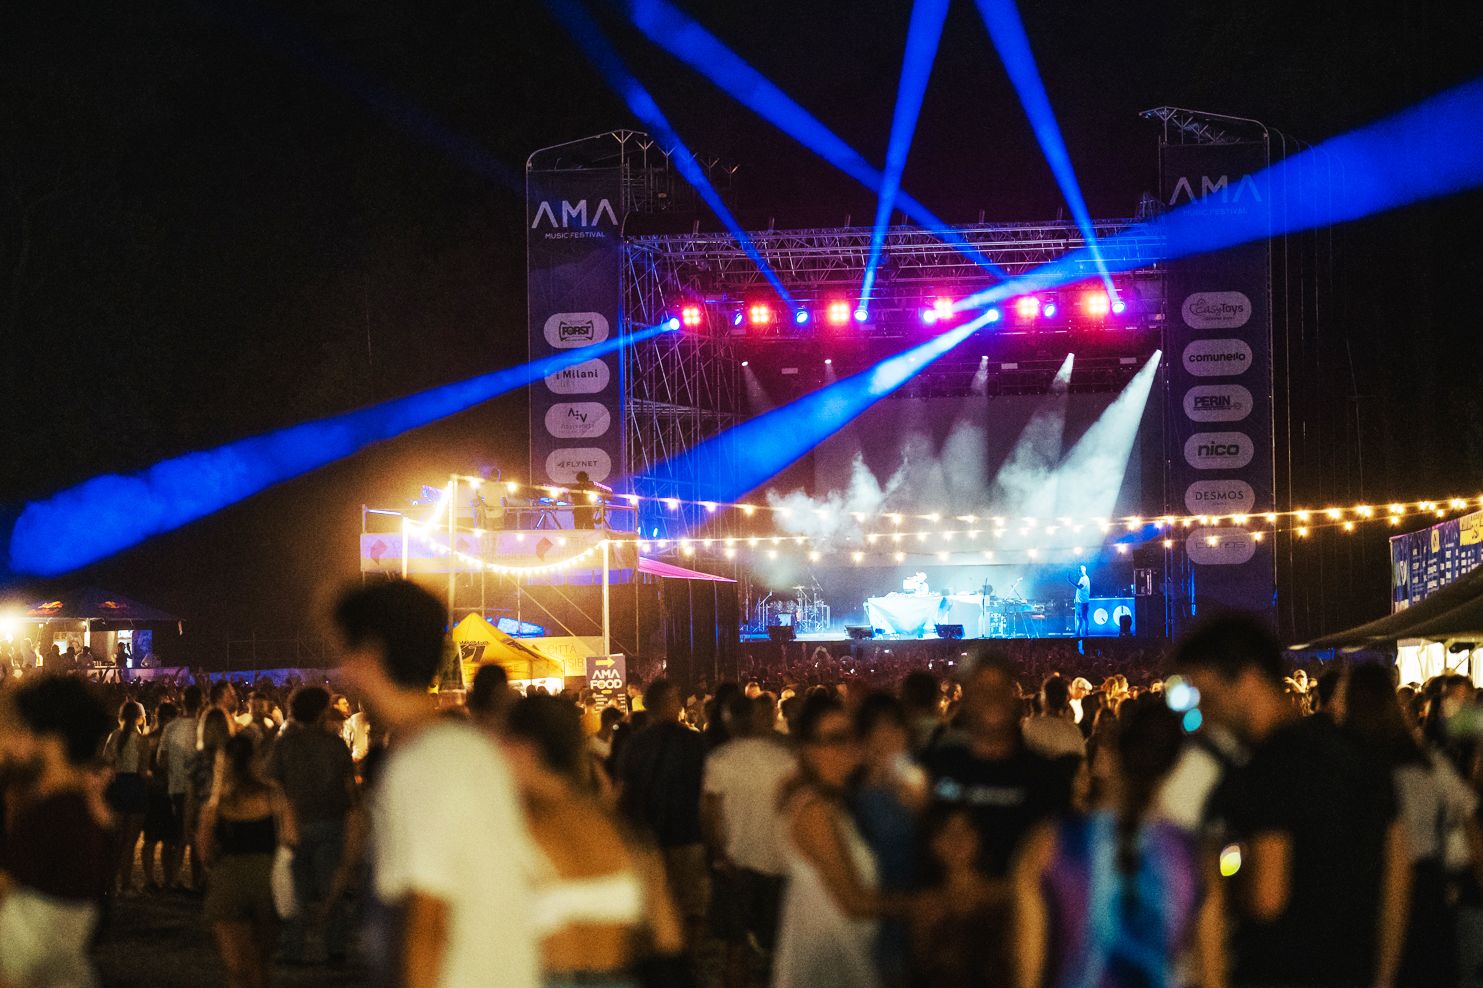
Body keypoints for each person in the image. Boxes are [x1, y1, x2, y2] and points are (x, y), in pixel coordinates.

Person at [1175, 615, 1410, 988]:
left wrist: (1210, 879)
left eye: (1209, 698)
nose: (1203, 716)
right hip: (1354, 971)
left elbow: (1266, 897)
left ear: (1248, 681)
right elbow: (1397, 877)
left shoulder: (1265, 769)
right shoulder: (1358, 754)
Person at [335, 579, 542, 988]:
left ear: (371, 655)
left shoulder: (422, 764)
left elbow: (426, 922)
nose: (342, 671)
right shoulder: (461, 749)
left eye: (345, 652)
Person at [1015, 695, 1220, 988]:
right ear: (1175, 765)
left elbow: (1027, 971)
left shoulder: (1049, 843)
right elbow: (1211, 975)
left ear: (1112, 753)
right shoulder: (1193, 856)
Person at [503, 694, 686, 987]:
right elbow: (668, 940)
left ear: (522, 749)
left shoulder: (524, 832)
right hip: (622, 976)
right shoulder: (624, 833)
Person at [1343, 663, 1483, 988]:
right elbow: (1470, 820)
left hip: (1380, 901)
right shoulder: (1426, 760)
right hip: (1436, 902)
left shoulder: (1360, 771)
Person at [0, 676, 115, 988]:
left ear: (52, 742)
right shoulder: (87, 810)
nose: (16, 740)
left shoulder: (55, 815)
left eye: (25, 729)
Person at [772, 694, 892, 988]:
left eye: (852, 736)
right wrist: (925, 904)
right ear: (809, 749)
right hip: (826, 964)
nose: (848, 747)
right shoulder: (814, 811)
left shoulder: (840, 804)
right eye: (835, 739)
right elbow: (853, 901)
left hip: (846, 955)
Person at [923, 655, 1074, 881]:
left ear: (1013, 698)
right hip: (952, 897)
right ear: (966, 701)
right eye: (981, 691)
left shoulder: (1044, 775)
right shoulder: (939, 766)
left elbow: (1059, 860)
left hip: (1020, 897)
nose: (991, 698)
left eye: (999, 689)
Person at [702, 693, 796, 988]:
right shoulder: (783, 759)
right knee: (778, 950)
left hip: (735, 863)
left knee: (735, 948)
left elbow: (709, 814)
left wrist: (720, 855)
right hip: (777, 862)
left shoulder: (720, 760)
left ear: (728, 722)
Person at [265, 685, 357, 967]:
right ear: (320, 711)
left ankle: (293, 949)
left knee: (296, 890)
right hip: (331, 821)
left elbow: (272, 783)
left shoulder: (285, 743)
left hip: (295, 822)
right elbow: (349, 787)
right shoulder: (335, 744)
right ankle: (336, 948)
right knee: (332, 887)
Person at [615, 677, 708, 949]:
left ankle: (660, 956)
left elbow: (623, 793)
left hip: (648, 837)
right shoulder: (693, 742)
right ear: (668, 703)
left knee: (654, 906)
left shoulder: (635, 744)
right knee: (691, 908)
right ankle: (687, 959)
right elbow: (707, 793)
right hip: (687, 833)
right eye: (676, 699)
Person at [199, 733, 297, 988]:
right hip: (266, 879)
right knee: (259, 963)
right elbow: (291, 836)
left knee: (235, 967)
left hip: (228, 880)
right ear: (255, 759)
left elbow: (204, 851)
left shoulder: (216, 803)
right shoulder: (273, 794)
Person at [910, 805, 1003, 988]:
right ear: (932, 844)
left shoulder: (1005, 895)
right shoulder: (926, 905)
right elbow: (923, 971)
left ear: (978, 837)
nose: (957, 840)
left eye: (965, 829)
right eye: (946, 832)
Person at [158, 685, 203, 890]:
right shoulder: (201, 726)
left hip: (176, 787)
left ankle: (172, 880)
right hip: (198, 788)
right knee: (195, 836)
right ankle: (196, 881)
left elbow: (161, 761)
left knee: (179, 836)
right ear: (201, 702)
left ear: (182, 702)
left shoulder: (171, 727)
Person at [104, 699, 150, 896]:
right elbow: (142, 771)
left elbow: (107, 763)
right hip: (135, 788)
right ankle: (126, 884)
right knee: (130, 842)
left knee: (116, 840)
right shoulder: (141, 740)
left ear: (120, 717)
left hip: (118, 787)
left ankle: (110, 884)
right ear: (140, 719)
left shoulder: (114, 736)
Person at [141, 700, 179, 891]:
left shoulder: (150, 738)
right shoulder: (157, 740)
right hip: (160, 792)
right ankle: (160, 880)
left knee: (160, 840)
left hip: (157, 792)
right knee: (160, 840)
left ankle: (159, 880)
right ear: (166, 719)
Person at [1021, 675, 1087, 762]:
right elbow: (1081, 764)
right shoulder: (1073, 730)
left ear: (1044, 698)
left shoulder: (1031, 727)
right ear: (1066, 700)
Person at [1070, 566, 1091, 639]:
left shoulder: (1085, 579)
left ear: (1083, 571)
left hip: (1083, 602)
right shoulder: (1082, 578)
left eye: (1079, 571)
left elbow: (1079, 587)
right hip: (1079, 602)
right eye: (1078, 570)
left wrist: (1070, 581)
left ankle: (1086, 633)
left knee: (1084, 617)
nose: (1078, 572)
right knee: (1079, 618)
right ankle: (1078, 633)